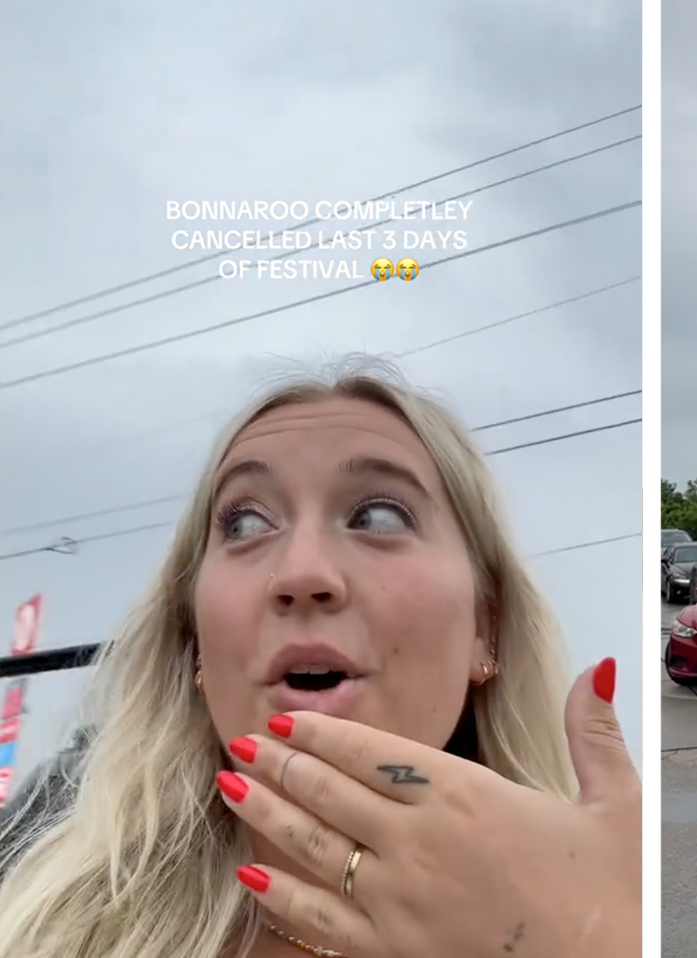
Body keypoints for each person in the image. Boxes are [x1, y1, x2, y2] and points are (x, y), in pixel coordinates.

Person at [0, 364, 639, 958]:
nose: (302, 574)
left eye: (379, 515)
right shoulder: (38, 919)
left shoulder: (617, 918)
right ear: (195, 641)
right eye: (245, 524)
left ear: (484, 628)